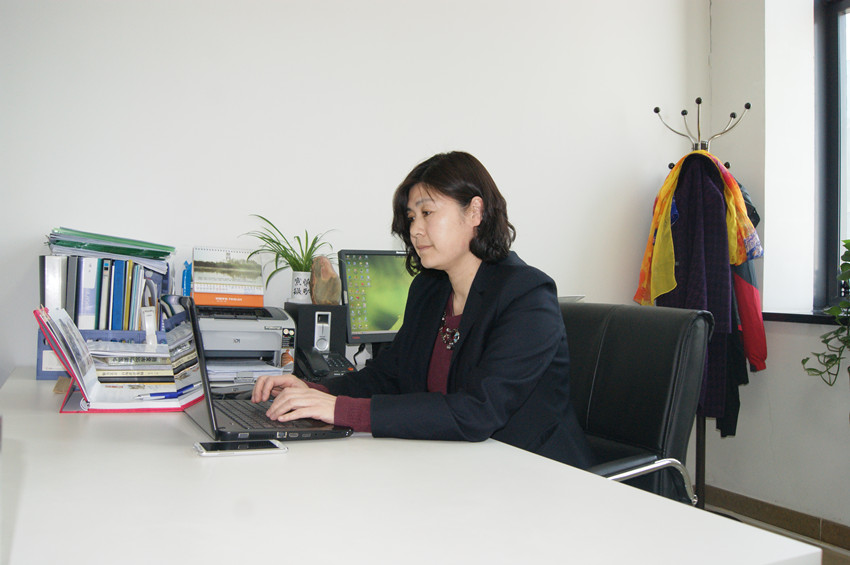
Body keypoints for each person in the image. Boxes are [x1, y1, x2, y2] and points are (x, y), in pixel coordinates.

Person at [252, 151, 594, 469]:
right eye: (411, 217)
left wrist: (341, 410)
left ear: (475, 212)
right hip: (455, 465)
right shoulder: (429, 289)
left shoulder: (527, 295)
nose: (415, 230)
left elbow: (478, 411)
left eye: (427, 213)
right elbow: (389, 376)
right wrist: (316, 392)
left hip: (534, 473)